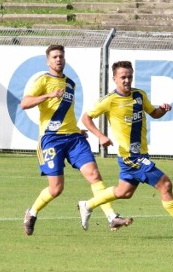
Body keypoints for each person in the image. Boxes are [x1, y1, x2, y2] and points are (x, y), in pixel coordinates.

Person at [78, 61, 173, 240]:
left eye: (129, 76)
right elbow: (86, 117)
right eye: (123, 77)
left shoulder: (139, 95)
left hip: (140, 153)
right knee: (165, 184)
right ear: (114, 78)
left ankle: (87, 205)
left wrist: (162, 110)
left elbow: (153, 113)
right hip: (130, 156)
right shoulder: (109, 100)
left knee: (124, 192)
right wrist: (100, 136)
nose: (126, 80)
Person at [21, 45, 132, 236]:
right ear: (48, 61)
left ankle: (111, 217)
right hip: (51, 140)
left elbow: (66, 112)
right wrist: (48, 95)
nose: (58, 60)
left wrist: (76, 129)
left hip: (73, 138)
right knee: (56, 189)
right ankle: (31, 213)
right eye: (55, 57)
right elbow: (24, 103)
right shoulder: (43, 80)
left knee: (94, 175)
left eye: (61, 56)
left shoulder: (70, 83)